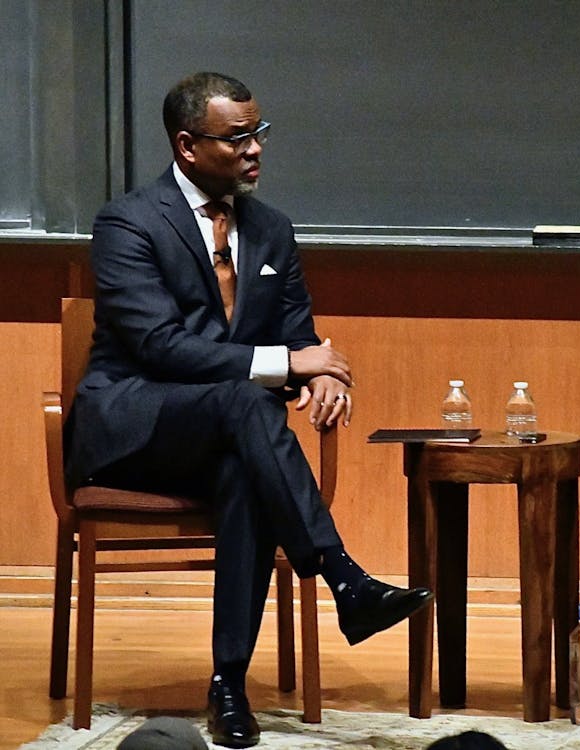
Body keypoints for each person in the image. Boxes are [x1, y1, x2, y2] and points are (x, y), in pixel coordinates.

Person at [65, 71, 433, 749]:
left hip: (225, 437)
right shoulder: (128, 223)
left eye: (259, 133)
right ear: (187, 146)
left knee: (248, 470)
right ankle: (343, 577)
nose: (256, 149)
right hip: (135, 433)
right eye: (238, 138)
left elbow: (300, 337)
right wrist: (290, 367)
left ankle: (228, 686)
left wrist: (324, 379)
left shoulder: (271, 230)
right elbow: (159, 347)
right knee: (247, 401)